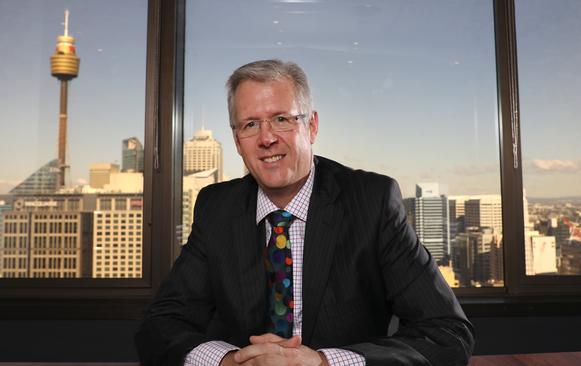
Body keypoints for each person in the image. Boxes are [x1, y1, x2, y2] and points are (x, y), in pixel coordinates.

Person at [135, 59, 474, 366]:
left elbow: (447, 334)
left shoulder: (371, 201)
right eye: (250, 124)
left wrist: (325, 364)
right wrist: (230, 361)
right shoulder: (217, 209)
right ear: (237, 141)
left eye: (281, 119)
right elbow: (159, 326)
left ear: (311, 126)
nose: (266, 138)